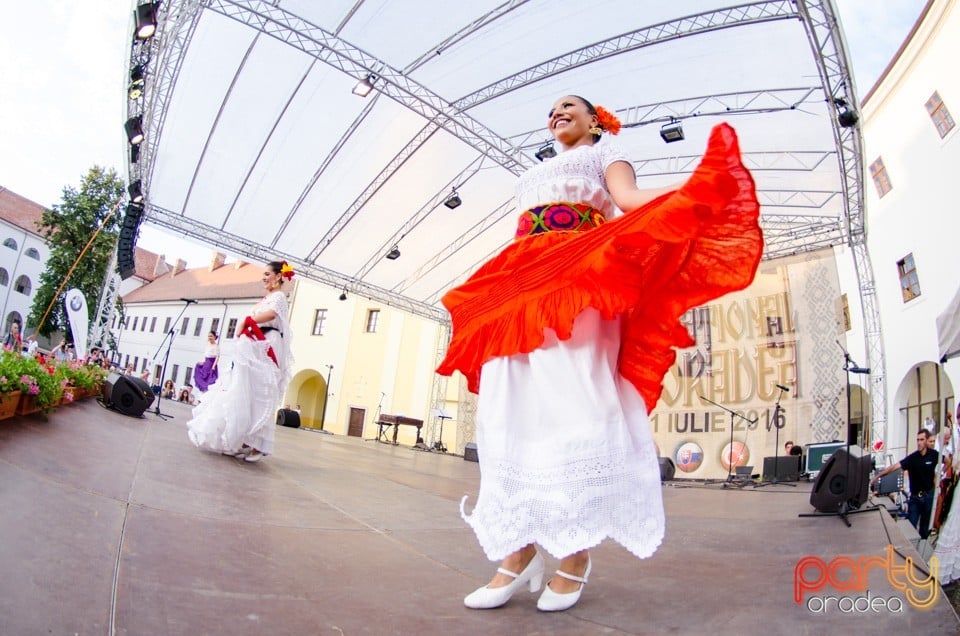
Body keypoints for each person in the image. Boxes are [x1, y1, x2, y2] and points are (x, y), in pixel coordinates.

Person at [436, 96, 762, 612]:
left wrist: (697, 187)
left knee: (577, 405)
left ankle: (574, 555)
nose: (555, 113)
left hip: (581, 276)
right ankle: (517, 553)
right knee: (509, 411)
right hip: (521, 280)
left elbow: (630, 201)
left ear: (595, 119)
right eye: (550, 110)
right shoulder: (538, 169)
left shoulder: (606, 152)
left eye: (568, 106)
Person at [186, 261, 295, 463]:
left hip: (267, 342)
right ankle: (246, 440)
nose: (263, 278)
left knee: (262, 390)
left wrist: (247, 321)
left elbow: (271, 315)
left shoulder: (279, 297)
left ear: (278, 276)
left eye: (267, 274)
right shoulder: (267, 298)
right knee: (248, 390)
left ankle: (259, 443)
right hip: (256, 342)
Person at [871, 429, 939, 539]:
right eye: (917, 440)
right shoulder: (913, 458)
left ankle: (922, 551)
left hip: (928, 496)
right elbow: (894, 467)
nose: (919, 442)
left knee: (925, 529)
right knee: (911, 527)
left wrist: (939, 478)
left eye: (922, 440)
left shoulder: (934, 455)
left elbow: (947, 462)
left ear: (926, 441)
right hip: (916, 498)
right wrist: (878, 476)